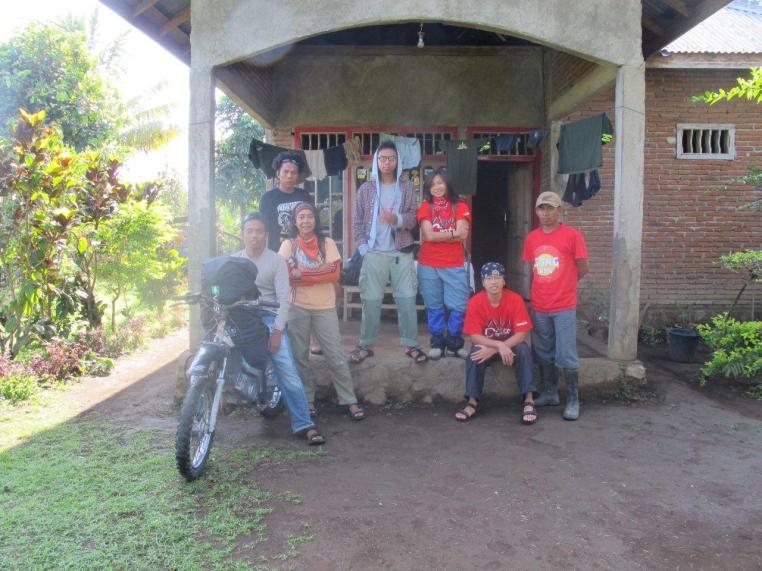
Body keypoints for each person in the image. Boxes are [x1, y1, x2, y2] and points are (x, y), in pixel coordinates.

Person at [234, 213, 326, 445]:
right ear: (243, 234)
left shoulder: (275, 261)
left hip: (268, 317)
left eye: (259, 231)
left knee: (287, 369)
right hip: (242, 318)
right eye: (249, 231)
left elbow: (284, 300)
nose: (254, 236)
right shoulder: (234, 261)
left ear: (266, 235)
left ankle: (304, 423)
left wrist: (277, 331)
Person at [278, 202, 365, 420]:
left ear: (315, 219)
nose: (305, 221)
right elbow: (285, 276)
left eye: (309, 216)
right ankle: (307, 400)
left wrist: (301, 274)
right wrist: (318, 272)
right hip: (298, 307)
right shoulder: (288, 244)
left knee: (335, 355)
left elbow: (334, 274)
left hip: (325, 306)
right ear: (295, 221)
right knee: (300, 357)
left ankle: (349, 400)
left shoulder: (327, 243)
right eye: (301, 217)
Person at [349, 141, 426, 364]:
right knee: (371, 300)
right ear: (376, 161)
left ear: (398, 161)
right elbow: (357, 223)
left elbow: (414, 218)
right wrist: (364, 248)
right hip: (374, 253)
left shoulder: (406, 187)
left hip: (401, 252)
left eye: (391, 158)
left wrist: (397, 219)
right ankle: (365, 345)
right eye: (382, 158)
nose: (387, 162)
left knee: (407, 299)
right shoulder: (366, 189)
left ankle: (411, 344)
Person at [522, 191, 589, 421]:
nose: (546, 213)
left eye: (550, 208)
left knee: (566, 352)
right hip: (540, 305)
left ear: (560, 211)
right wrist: (530, 300)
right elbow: (532, 270)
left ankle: (573, 399)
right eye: (542, 208)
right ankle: (550, 393)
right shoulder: (532, 238)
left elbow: (583, 267)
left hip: (563, 305)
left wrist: (567, 283)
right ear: (537, 211)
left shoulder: (573, 236)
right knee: (543, 351)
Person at [455, 262, 538, 425]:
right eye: (489, 278)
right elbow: (474, 337)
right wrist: (498, 346)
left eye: (498, 277)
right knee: (474, 354)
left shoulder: (515, 299)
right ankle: (472, 402)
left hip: (511, 347)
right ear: (483, 282)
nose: (493, 282)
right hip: (490, 346)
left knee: (524, 350)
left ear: (504, 281)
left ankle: (529, 400)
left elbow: (521, 334)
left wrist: (498, 348)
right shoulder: (475, 302)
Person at [416, 168, 471, 359]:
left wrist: (442, 235)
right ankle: (437, 342)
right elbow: (429, 235)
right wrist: (453, 234)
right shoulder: (426, 206)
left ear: (448, 184)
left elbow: (463, 234)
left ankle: (454, 343)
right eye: (432, 184)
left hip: (454, 263)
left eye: (440, 183)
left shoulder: (460, 205)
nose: (437, 187)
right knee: (434, 304)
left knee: (458, 305)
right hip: (428, 264)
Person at [259, 151, 314, 251]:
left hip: (302, 251)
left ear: (297, 176)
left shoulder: (305, 196)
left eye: (293, 172)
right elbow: (262, 228)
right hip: (276, 252)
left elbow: (313, 223)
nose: (289, 176)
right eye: (286, 172)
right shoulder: (267, 198)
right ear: (278, 174)